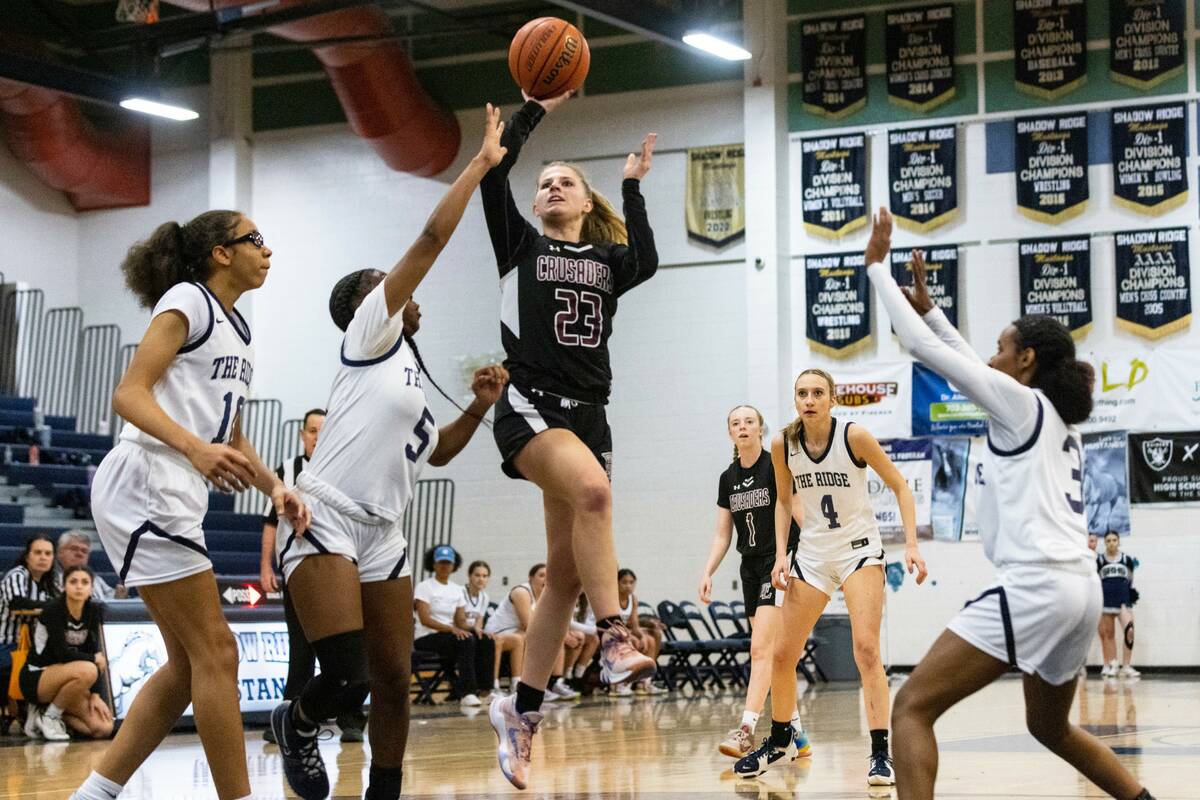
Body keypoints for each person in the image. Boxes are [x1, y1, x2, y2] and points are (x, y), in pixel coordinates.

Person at [864, 209, 1156, 800]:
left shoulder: (1019, 404)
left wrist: (877, 269)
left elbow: (926, 349)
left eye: (1002, 349)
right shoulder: (1052, 415)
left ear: (1026, 361)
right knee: (1049, 726)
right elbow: (969, 361)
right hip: (1082, 589)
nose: (992, 359)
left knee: (911, 708)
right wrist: (935, 311)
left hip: (1037, 587)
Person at [268, 108, 509, 800]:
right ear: (364, 303)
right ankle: (297, 721)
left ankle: (385, 791)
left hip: (386, 533)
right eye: (386, 281)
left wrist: (479, 405)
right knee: (346, 680)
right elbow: (432, 238)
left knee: (393, 684)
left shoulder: (403, 372)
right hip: (328, 517)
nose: (405, 289)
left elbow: (435, 453)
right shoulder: (371, 331)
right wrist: (479, 165)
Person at [72, 208, 309, 800]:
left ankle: (93, 793)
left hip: (171, 482)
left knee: (188, 667)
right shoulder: (188, 299)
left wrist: (274, 487)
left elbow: (227, 430)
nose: (268, 250)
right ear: (220, 253)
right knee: (218, 651)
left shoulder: (239, 329)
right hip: (148, 476)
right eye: (256, 239)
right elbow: (129, 393)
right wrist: (194, 448)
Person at [481, 88, 660, 791]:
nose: (552, 186)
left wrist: (631, 187)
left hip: (590, 415)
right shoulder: (518, 245)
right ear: (535, 205)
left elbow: (644, 258)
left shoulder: (610, 262)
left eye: (566, 182)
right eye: (544, 183)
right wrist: (531, 112)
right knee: (594, 491)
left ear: (585, 203)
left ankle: (520, 714)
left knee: (560, 578)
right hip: (529, 405)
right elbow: (494, 172)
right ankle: (616, 639)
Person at [736, 369, 928, 786]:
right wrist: (783, 553)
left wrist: (911, 544)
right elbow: (783, 502)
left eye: (817, 393)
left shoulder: (854, 437)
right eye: (802, 393)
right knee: (783, 654)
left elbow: (900, 487)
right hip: (813, 555)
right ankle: (783, 738)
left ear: (832, 399)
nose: (809, 399)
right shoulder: (782, 443)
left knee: (865, 649)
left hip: (858, 550)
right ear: (795, 400)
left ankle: (880, 753)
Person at [699, 405, 807, 758]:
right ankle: (799, 737)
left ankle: (746, 729)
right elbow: (721, 535)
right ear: (730, 433)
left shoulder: (775, 465)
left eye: (749, 421)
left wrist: (800, 554)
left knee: (761, 651)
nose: (742, 427)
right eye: (735, 423)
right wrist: (707, 571)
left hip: (777, 563)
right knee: (772, 655)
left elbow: (796, 510)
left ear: (761, 429)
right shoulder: (727, 478)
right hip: (748, 566)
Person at [259, 408, 366, 744]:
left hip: (342, 569)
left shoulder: (346, 469)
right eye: (313, 430)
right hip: (299, 569)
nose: (318, 436)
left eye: (324, 430)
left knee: (349, 649)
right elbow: (270, 523)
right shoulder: (286, 471)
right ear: (303, 435)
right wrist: (265, 566)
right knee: (301, 647)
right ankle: (290, 715)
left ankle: (351, 717)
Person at [20, 565, 112, 740]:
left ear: (91, 588)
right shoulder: (53, 610)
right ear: (63, 586)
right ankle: (50, 717)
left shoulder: (93, 611)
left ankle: (45, 713)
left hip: (71, 679)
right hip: (37, 676)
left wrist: (96, 695)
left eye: (85, 582)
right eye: (73, 582)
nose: (79, 586)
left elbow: (95, 652)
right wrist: (93, 658)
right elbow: (62, 653)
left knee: (103, 728)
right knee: (89, 668)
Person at [485, 564, 578, 700]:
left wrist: (564, 634)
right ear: (530, 578)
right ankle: (520, 685)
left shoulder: (546, 597)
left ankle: (554, 683)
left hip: (517, 633)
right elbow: (528, 625)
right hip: (496, 633)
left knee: (556, 638)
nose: (545, 579)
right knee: (539, 638)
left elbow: (553, 624)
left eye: (548, 576)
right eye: (541, 575)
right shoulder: (522, 592)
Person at [413, 545, 490, 707]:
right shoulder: (424, 587)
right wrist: (452, 629)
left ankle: (485, 689)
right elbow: (425, 619)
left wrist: (474, 628)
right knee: (464, 641)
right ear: (433, 564)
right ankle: (467, 692)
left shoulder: (456, 590)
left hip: (449, 635)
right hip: (426, 636)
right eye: (441, 562)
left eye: (448, 563)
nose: (445, 566)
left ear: (454, 566)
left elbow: (461, 621)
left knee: (484, 639)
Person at [2, 535, 58, 717]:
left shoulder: (50, 582)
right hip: (7, 644)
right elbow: (17, 602)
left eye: (48, 553)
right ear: (27, 556)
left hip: (34, 647)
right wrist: (53, 607)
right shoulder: (17, 575)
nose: (43, 557)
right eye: (38, 552)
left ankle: (49, 714)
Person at [611, 569, 664, 696]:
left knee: (650, 639)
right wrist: (632, 636)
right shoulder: (612, 598)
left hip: (626, 631)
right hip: (611, 632)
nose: (628, 586)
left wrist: (641, 637)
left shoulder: (633, 599)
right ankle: (620, 683)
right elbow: (612, 623)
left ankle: (644, 682)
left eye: (631, 582)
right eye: (624, 582)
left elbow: (634, 625)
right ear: (616, 583)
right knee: (631, 641)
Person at [1097, 532, 1139, 679]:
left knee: (1130, 630)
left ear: (1119, 542)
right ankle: (1114, 664)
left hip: (1123, 601)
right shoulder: (1100, 561)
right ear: (1105, 543)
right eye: (1108, 540)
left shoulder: (1126, 560)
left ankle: (1126, 666)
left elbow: (1130, 579)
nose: (1112, 543)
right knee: (1109, 634)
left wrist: (1128, 596)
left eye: (1114, 540)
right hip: (1106, 601)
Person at [54, 531, 127, 600]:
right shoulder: (50, 577)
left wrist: (119, 595)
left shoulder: (96, 579)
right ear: (60, 552)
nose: (79, 554)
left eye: (84, 551)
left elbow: (111, 602)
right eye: (74, 549)